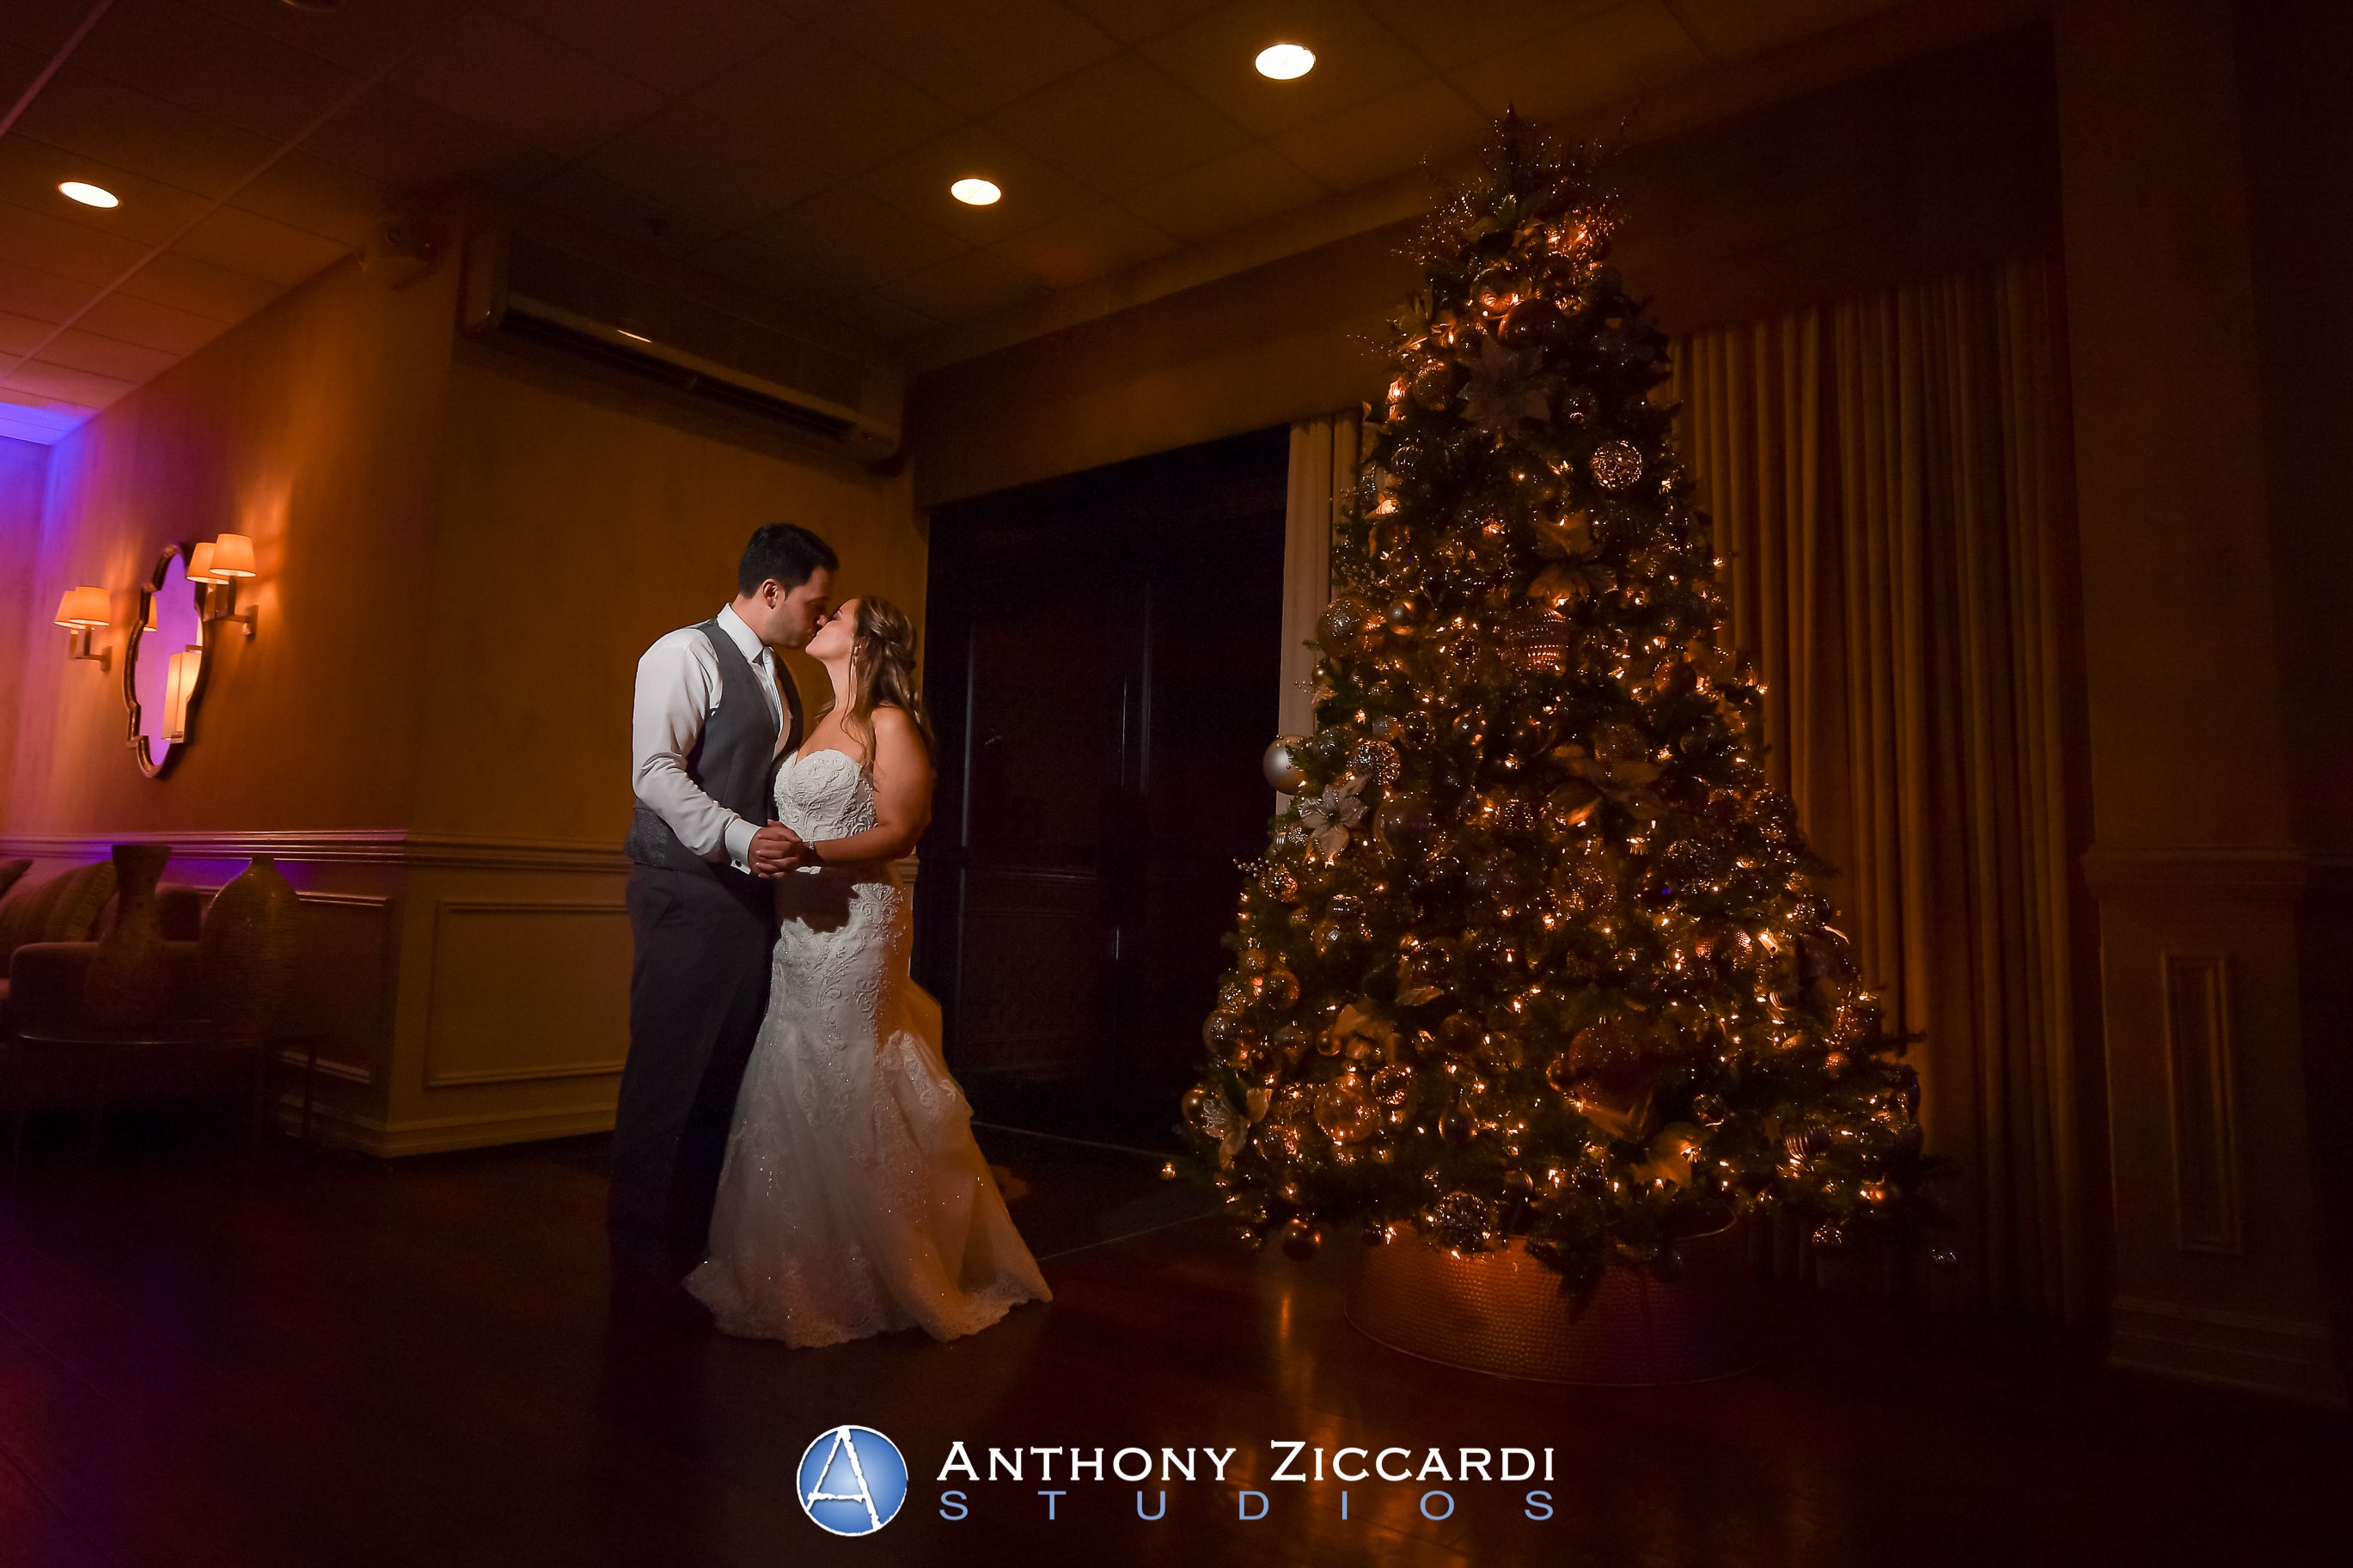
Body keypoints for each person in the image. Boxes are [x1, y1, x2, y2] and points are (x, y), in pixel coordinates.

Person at [688, 596, 1051, 1345]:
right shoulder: (814, 719)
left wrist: (812, 852)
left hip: (858, 922)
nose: (821, 618)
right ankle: (798, 1262)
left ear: (867, 641)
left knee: (852, 1066)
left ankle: (895, 1263)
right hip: (799, 925)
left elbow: (900, 827)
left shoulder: (888, 721)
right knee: (793, 1064)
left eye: (839, 614)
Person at [610, 523, 834, 1315]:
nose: (820, 616)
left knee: (724, 1076)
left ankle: (692, 1251)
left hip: (747, 900)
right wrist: (742, 838)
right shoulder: (683, 654)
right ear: (771, 590)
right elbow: (655, 773)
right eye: (815, 600)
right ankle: (636, 1260)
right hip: (685, 890)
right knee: (669, 1074)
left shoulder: (779, 676)